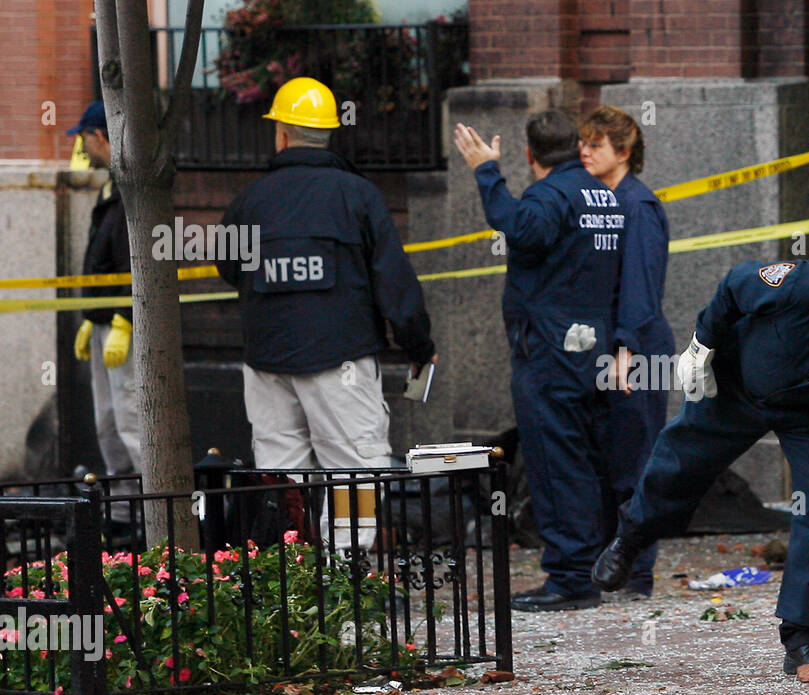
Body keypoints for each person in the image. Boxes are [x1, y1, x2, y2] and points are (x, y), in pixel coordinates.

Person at [593, 258, 809, 682]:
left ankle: (806, 639)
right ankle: (631, 537)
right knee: (680, 465)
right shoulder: (807, 288)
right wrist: (701, 346)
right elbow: (735, 283)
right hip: (737, 387)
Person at [217, 77, 436, 544]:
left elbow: (229, 269)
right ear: (329, 133)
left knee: (280, 471)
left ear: (280, 134)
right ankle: (348, 582)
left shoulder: (248, 202)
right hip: (342, 358)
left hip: (266, 359)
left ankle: (289, 577)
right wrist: (418, 345)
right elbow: (394, 282)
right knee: (353, 468)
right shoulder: (358, 196)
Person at [453, 111, 626, 612]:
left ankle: (571, 579)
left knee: (555, 464)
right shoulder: (601, 194)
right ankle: (588, 567)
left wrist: (487, 170)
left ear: (530, 156)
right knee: (585, 463)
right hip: (593, 349)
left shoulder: (550, 196)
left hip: (552, 354)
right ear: (575, 147)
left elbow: (520, 228)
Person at [578, 106, 674, 598]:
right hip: (618, 346)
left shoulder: (637, 205)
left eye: (596, 143)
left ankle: (636, 573)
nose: (585, 150)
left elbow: (640, 287)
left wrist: (625, 350)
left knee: (636, 463)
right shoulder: (607, 201)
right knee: (612, 460)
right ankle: (617, 567)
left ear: (625, 150)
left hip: (636, 349)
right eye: (584, 142)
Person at [69, 101, 140, 515]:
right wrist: (91, 317)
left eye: (83, 138)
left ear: (99, 136)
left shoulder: (130, 187)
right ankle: (121, 514)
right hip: (104, 321)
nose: (82, 148)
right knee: (108, 419)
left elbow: (136, 260)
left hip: (121, 324)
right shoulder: (110, 187)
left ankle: (148, 513)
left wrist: (124, 319)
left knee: (130, 419)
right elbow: (104, 258)